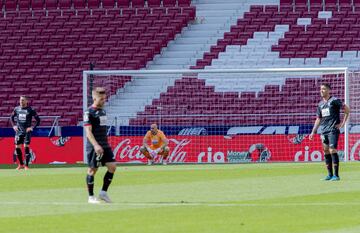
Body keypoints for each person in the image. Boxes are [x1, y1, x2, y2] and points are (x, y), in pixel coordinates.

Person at [309, 83, 350, 181]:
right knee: (326, 151)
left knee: (332, 150)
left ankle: (336, 175)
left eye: (323, 89)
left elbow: (347, 110)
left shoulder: (334, 100)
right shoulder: (320, 104)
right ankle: (329, 175)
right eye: (320, 89)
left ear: (328, 90)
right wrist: (313, 132)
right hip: (324, 130)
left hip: (333, 130)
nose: (321, 91)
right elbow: (318, 119)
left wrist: (343, 123)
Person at [84, 87, 116, 204]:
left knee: (112, 167)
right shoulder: (88, 112)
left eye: (104, 99)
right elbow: (88, 132)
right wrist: (96, 145)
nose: (104, 101)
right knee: (93, 170)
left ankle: (103, 193)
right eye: (101, 99)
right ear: (94, 98)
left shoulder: (103, 111)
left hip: (105, 144)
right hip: (94, 145)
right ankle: (91, 197)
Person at [10, 96, 40, 170]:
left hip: (27, 131)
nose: (21, 101)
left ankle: (26, 165)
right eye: (20, 100)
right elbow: (11, 118)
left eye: (23, 100)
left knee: (26, 147)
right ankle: (21, 164)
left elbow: (38, 120)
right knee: (17, 148)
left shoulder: (31, 110)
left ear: (27, 101)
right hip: (18, 131)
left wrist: (32, 127)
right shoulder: (16, 109)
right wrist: (14, 126)